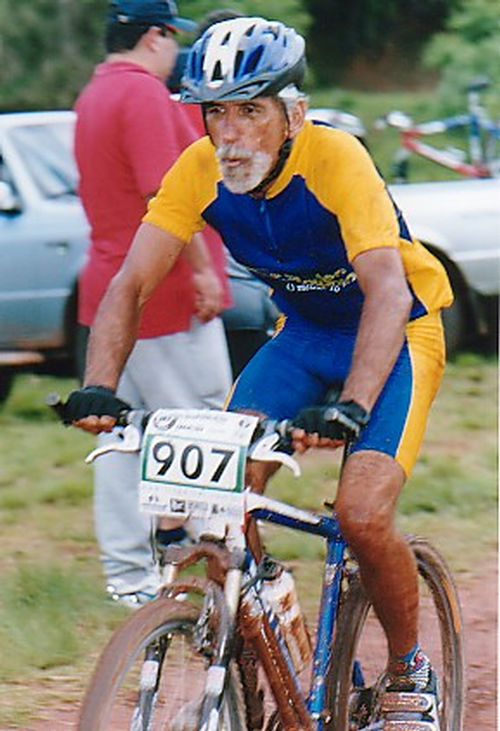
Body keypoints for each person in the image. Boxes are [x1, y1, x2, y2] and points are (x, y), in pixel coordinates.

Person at [65, 16, 452, 727]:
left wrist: (352, 408)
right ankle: (256, 640)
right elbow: (129, 284)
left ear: (292, 112)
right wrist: (101, 385)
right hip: (303, 336)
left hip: (394, 332)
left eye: (252, 109)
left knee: (362, 516)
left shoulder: (336, 159)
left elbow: (389, 292)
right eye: (217, 112)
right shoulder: (200, 169)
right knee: (212, 508)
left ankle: (408, 671)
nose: (232, 132)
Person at [73, 0, 232, 607]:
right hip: (159, 292)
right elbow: (164, 197)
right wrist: (202, 272)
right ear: (156, 37)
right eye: (171, 39)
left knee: (120, 435)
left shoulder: (94, 93)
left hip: (109, 287)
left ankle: (129, 576)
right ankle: (219, 548)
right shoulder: (140, 93)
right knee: (208, 424)